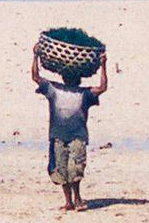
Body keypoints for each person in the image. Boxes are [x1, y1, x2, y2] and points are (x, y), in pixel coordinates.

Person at [31, 49, 107, 212]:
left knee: (75, 168)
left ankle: (77, 199)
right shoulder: (55, 90)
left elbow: (102, 87)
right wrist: (35, 55)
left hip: (77, 136)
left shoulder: (82, 93)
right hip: (58, 135)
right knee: (61, 169)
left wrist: (104, 65)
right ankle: (69, 201)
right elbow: (35, 77)